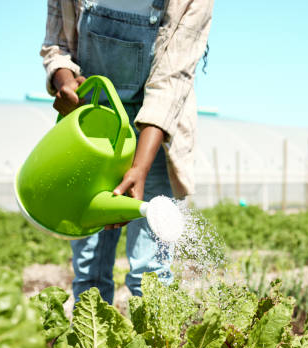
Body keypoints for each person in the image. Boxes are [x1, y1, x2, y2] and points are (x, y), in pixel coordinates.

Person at [40, 0, 214, 305]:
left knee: (149, 273)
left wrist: (140, 168)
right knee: (89, 271)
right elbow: (57, 45)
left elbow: (170, 82)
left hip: (155, 139)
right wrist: (64, 82)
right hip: (93, 132)